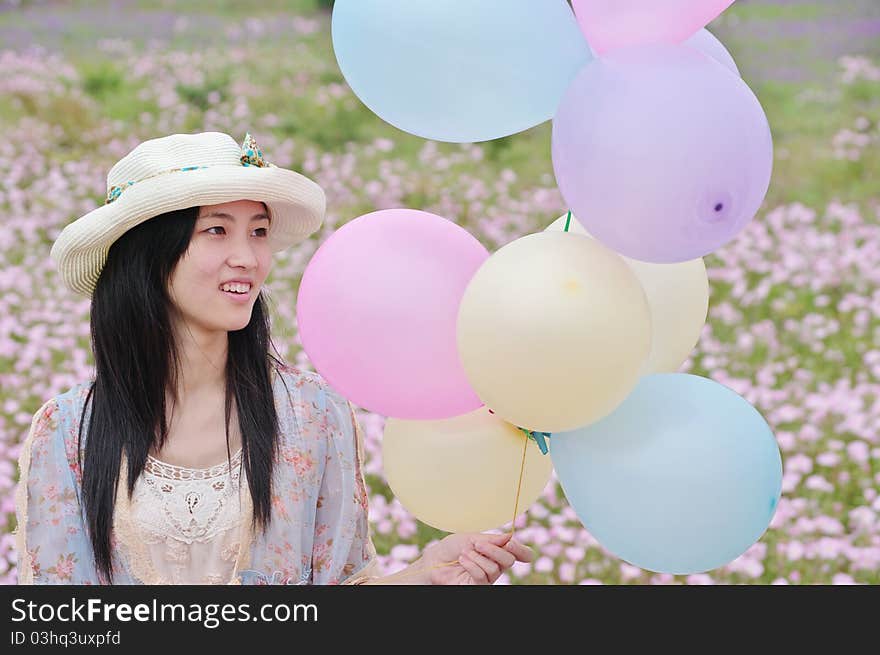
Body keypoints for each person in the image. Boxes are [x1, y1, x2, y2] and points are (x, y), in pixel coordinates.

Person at [13, 131, 534, 585]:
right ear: (148, 254)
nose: (249, 257)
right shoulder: (67, 432)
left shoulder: (314, 416)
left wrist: (424, 577)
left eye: (258, 231)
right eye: (216, 230)